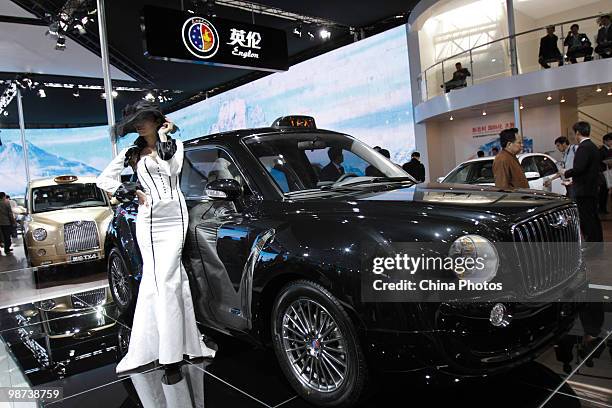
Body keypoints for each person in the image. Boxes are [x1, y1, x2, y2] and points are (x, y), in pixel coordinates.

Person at [96, 100, 215, 382]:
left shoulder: (174, 146)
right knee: (162, 280)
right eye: (134, 121)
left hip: (175, 218)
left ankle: (176, 349)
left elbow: (172, 171)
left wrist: (163, 136)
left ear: (155, 118)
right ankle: (170, 353)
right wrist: (131, 190)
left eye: (143, 118)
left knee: (169, 277)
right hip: (148, 221)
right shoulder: (131, 153)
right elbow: (104, 180)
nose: (138, 124)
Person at [563, 121, 603, 243]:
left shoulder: (584, 147)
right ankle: (597, 243)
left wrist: (565, 173)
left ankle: (592, 245)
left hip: (584, 190)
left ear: (578, 133)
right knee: (593, 218)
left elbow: (579, 168)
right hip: (591, 188)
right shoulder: (593, 146)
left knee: (586, 219)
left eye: (574, 133)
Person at [598, 133, 612, 213]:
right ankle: (602, 208)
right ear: (605, 141)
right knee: (603, 192)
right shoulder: (601, 150)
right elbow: (599, 161)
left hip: (608, 171)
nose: (611, 142)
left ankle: (603, 208)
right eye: (610, 140)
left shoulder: (609, 149)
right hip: (603, 173)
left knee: (606, 191)